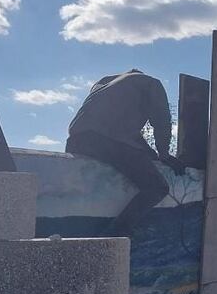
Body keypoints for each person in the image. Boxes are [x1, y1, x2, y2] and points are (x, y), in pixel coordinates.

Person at [65, 69, 186, 236]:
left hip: (77, 140)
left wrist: (151, 154)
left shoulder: (104, 84)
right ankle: (116, 234)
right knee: (157, 187)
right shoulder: (151, 83)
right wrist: (164, 154)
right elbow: (162, 120)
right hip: (109, 141)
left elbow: (128, 135)